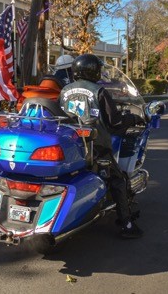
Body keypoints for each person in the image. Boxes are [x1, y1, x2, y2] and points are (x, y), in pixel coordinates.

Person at [59, 54, 144, 239]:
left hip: (71, 145)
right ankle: (127, 224)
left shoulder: (64, 90)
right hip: (95, 146)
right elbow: (115, 122)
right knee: (118, 179)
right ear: (93, 71)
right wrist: (133, 118)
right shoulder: (99, 91)